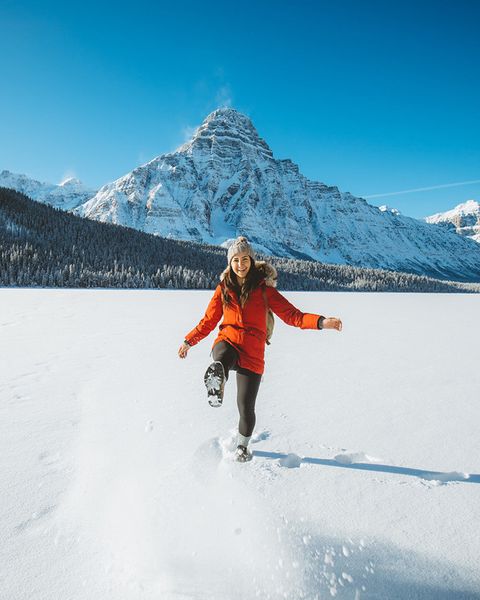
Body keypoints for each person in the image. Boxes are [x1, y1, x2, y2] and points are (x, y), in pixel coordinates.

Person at [178, 236, 342, 463]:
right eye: (236, 260)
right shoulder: (223, 289)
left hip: (252, 352)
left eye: (245, 259)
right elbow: (208, 321)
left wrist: (322, 322)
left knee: (245, 407)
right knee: (222, 357)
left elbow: (293, 316)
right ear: (230, 263)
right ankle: (218, 379)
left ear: (252, 261)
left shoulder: (265, 291)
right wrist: (189, 341)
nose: (241, 264)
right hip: (228, 341)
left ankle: (242, 446)